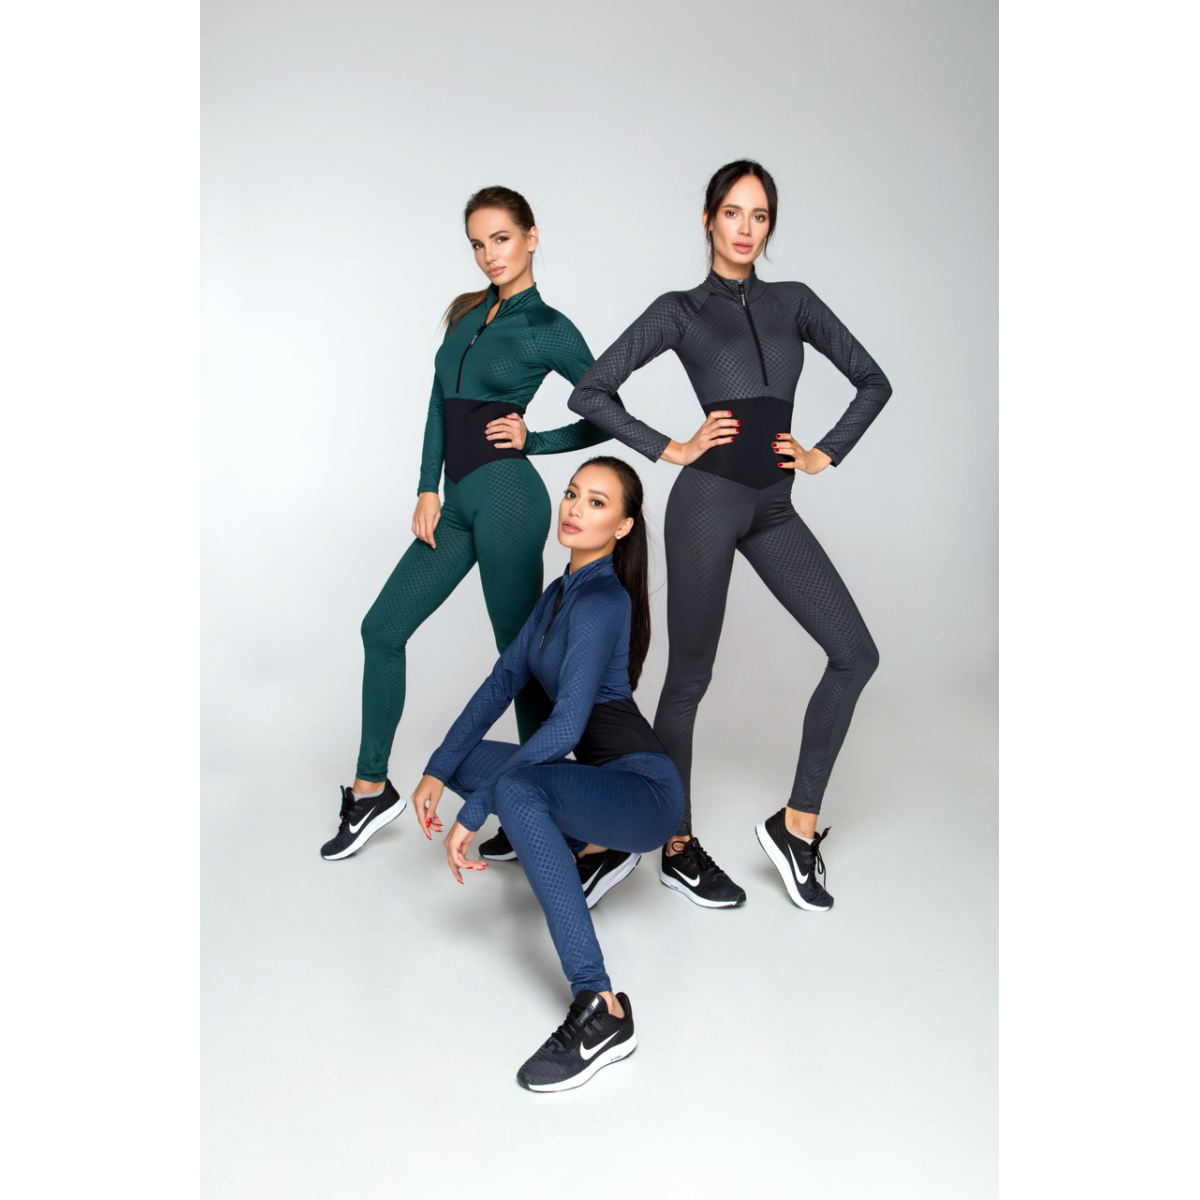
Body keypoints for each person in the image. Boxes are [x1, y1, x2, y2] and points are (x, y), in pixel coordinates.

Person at [567, 160, 892, 911]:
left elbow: (873, 380)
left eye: (760, 216)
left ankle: (795, 827)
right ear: (709, 218)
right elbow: (592, 390)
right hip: (707, 503)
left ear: (770, 225)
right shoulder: (679, 311)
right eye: (733, 213)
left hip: (773, 506)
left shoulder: (795, 302)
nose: (746, 229)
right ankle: (676, 845)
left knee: (855, 654)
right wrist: (670, 447)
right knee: (689, 680)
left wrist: (824, 452)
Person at [321, 186, 621, 861]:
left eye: (502, 239)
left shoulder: (549, 327)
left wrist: (535, 440)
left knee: (522, 658)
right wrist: (426, 487)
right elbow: (439, 399)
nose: (490, 255)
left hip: (510, 500)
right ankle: (372, 788)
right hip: (453, 503)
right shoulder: (465, 312)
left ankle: (547, 810)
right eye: (478, 244)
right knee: (382, 629)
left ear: (532, 238)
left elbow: (608, 411)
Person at [409, 457, 683, 1091]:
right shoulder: (559, 594)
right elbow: (501, 681)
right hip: (597, 782)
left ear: (623, 526)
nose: (575, 509)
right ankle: (587, 843)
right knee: (468, 763)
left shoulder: (605, 600)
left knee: (511, 786)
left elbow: (563, 730)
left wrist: (477, 808)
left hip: (645, 794)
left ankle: (601, 1007)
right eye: (572, 494)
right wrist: (436, 772)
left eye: (597, 503)